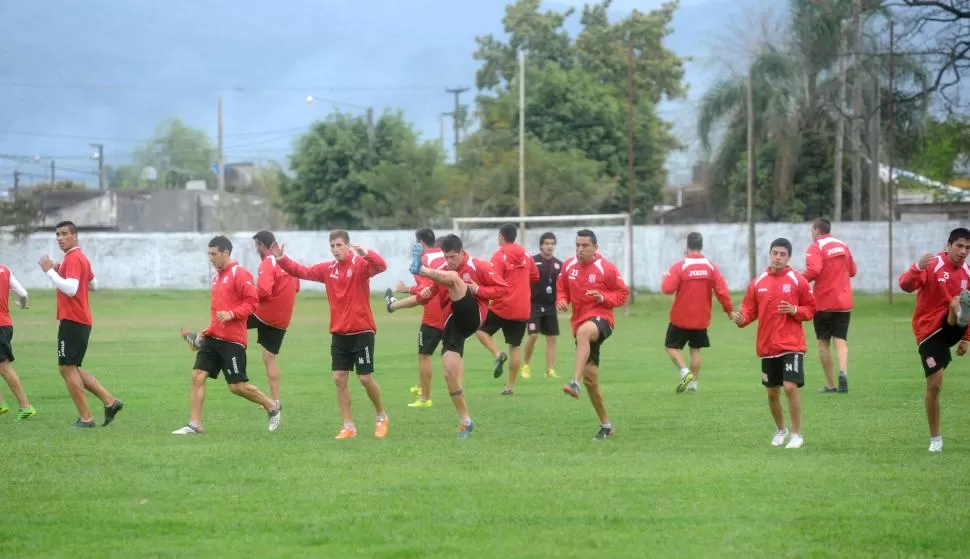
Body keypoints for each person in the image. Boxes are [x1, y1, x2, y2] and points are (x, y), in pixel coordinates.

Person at [272, 230, 389, 440]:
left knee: (364, 378)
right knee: (339, 377)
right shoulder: (328, 269)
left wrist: (367, 253)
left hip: (362, 330)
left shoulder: (361, 265)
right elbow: (302, 271)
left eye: (339, 245)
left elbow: (381, 266)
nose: (335, 250)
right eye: (332, 246)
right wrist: (281, 258)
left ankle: (381, 416)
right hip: (339, 332)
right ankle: (348, 425)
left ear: (348, 245)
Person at [172, 236, 282, 435]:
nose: (211, 258)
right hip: (214, 338)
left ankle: (272, 406)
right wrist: (206, 332)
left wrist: (232, 314)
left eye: (214, 254)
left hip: (233, 341)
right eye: (209, 254)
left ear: (226, 253)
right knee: (197, 376)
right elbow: (217, 313)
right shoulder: (216, 278)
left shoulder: (240, 274)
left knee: (237, 387)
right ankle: (195, 425)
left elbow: (253, 302)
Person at [407, 234, 509, 438]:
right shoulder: (445, 271)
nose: (449, 261)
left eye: (453, 257)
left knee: (454, 278)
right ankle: (465, 420)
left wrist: (478, 289)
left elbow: (503, 289)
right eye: (446, 257)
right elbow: (433, 290)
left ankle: (421, 269)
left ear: (462, 253)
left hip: (473, 315)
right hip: (453, 323)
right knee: (449, 373)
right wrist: (424, 294)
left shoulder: (478, 266)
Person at [731, 238, 816, 450]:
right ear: (770, 254)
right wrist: (742, 318)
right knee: (772, 392)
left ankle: (797, 434)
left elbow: (811, 309)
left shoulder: (798, 281)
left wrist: (795, 310)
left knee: (789, 387)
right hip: (767, 347)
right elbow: (749, 311)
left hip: (791, 345)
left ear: (788, 257)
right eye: (775, 253)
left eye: (782, 254)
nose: (778, 257)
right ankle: (781, 430)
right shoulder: (758, 282)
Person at [39, 220, 124, 428]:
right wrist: (60, 270)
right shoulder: (79, 258)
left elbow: (71, 289)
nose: (60, 238)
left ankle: (86, 418)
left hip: (73, 319)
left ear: (74, 236)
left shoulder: (74, 258)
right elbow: (94, 285)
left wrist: (49, 271)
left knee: (66, 369)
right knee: (72, 367)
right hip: (81, 319)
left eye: (64, 234)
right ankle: (110, 402)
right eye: (57, 234)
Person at [898, 227, 970, 453]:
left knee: (957, 302)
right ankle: (935, 438)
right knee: (935, 384)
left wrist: (967, 339)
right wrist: (917, 267)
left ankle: (958, 313)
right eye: (959, 246)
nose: (963, 251)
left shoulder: (968, 272)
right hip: (928, 331)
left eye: (968, 248)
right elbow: (905, 285)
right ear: (948, 245)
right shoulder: (933, 265)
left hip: (953, 327)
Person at [557, 229, 629, 441]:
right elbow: (562, 289)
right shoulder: (568, 266)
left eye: (585, 246)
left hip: (602, 319)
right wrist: (561, 301)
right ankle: (606, 425)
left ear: (595, 247)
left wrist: (603, 297)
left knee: (584, 332)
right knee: (592, 382)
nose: (580, 250)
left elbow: (623, 294)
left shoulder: (606, 268)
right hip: (579, 325)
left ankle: (573, 382)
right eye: (577, 245)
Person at [661, 232, 733, 394]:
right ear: (701, 246)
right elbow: (722, 291)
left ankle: (684, 372)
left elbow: (667, 289)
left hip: (681, 317)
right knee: (695, 349)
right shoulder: (711, 267)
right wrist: (728, 310)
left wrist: (665, 278)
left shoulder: (680, 266)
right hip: (701, 318)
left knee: (671, 346)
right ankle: (694, 386)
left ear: (687, 246)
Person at [384, 228, 445, 408]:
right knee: (454, 354)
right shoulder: (444, 256)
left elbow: (425, 293)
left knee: (424, 355)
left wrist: (407, 289)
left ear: (420, 243)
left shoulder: (422, 261)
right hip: (452, 312)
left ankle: (425, 398)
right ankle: (426, 387)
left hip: (434, 316)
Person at [475, 223, 538, 394]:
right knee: (515, 346)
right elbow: (535, 276)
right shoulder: (526, 254)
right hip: (522, 308)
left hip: (502, 305)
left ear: (501, 237)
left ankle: (497, 353)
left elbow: (493, 278)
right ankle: (510, 386)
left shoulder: (499, 255)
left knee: (481, 331)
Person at [803, 218, 857, 393]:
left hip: (823, 302)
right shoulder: (843, 245)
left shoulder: (816, 247)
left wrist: (797, 280)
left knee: (823, 343)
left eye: (812, 230)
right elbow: (853, 271)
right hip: (844, 302)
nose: (811, 234)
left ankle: (830, 384)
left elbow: (813, 270)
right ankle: (843, 371)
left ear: (817, 231)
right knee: (840, 340)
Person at [522, 232, 562, 381]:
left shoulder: (559, 265)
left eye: (552, 243)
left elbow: (562, 286)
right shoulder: (532, 262)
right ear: (541, 245)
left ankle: (550, 369)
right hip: (534, 305)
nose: (549, 246)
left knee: (551, 339)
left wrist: (561, 300)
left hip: (550, 306)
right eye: (546, 243)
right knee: (533, 335)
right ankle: (526, 365)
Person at [0, 264, 36, 420]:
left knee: (4, 366)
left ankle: (25, 406)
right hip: (5, 324)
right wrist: (22, 305)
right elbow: (23, 293)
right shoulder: (5, 270)